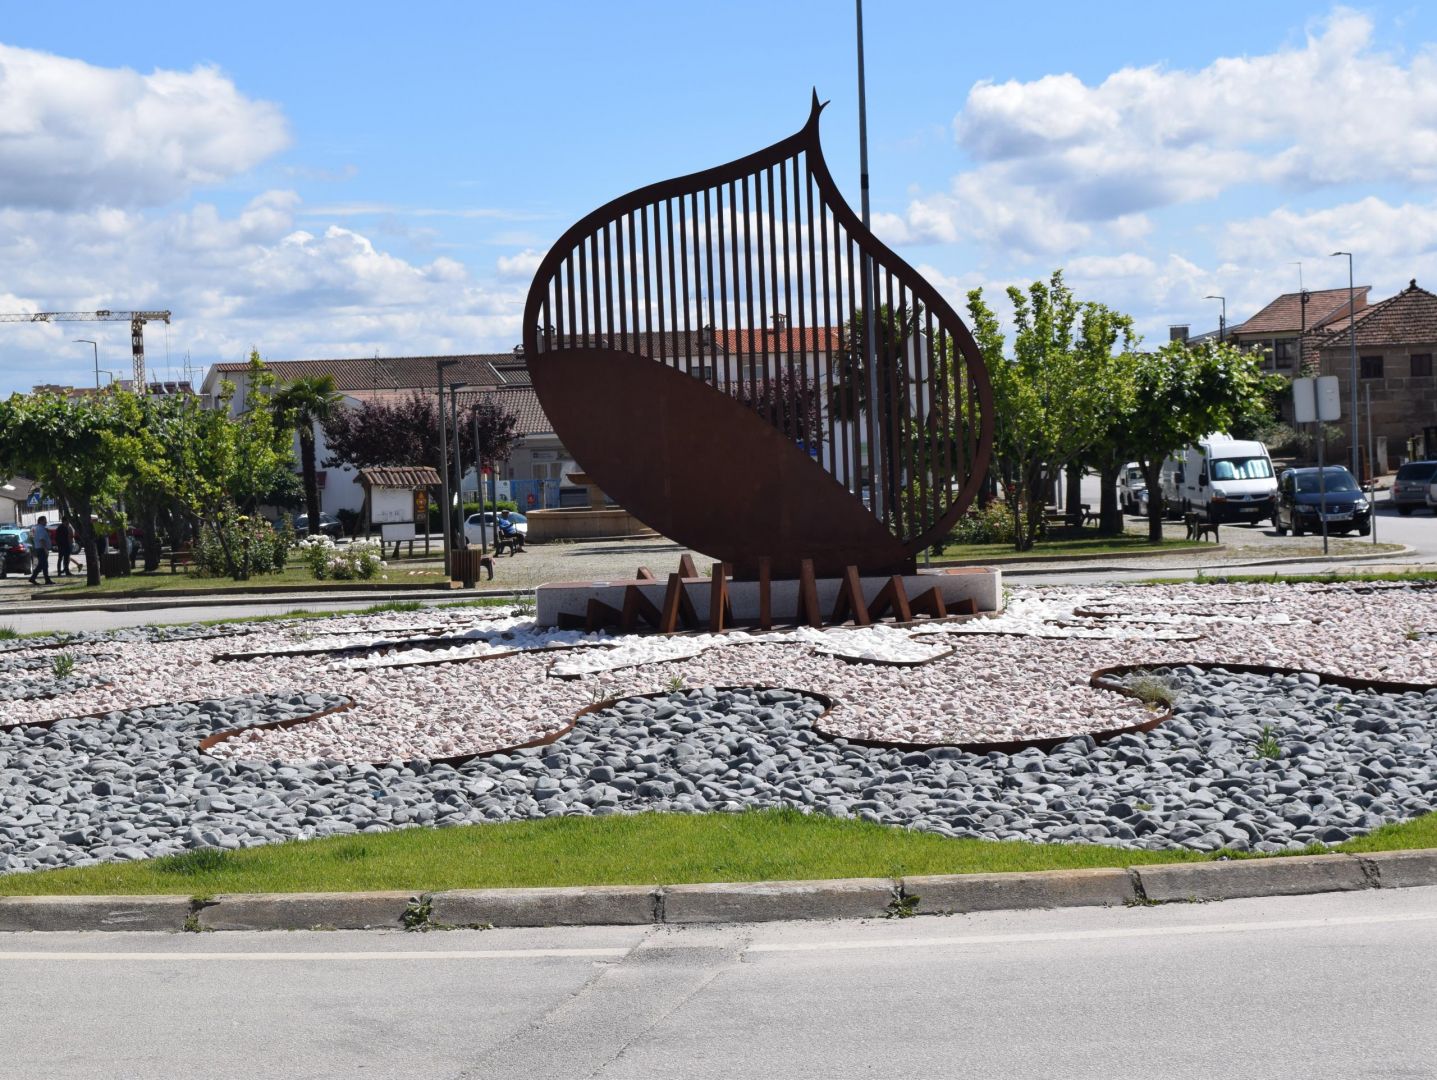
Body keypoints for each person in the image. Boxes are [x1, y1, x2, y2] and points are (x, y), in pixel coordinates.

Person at [28, 515, 54, 585]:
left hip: (40, 549)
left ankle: (35, 578)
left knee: (42, 565)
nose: (46, 522)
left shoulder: (40, 528)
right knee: (43, 565)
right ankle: (44, 580)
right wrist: (45, 549)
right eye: (45, 520)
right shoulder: (40, 529)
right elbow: (41, 540)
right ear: (41, 521)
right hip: (41, 549)